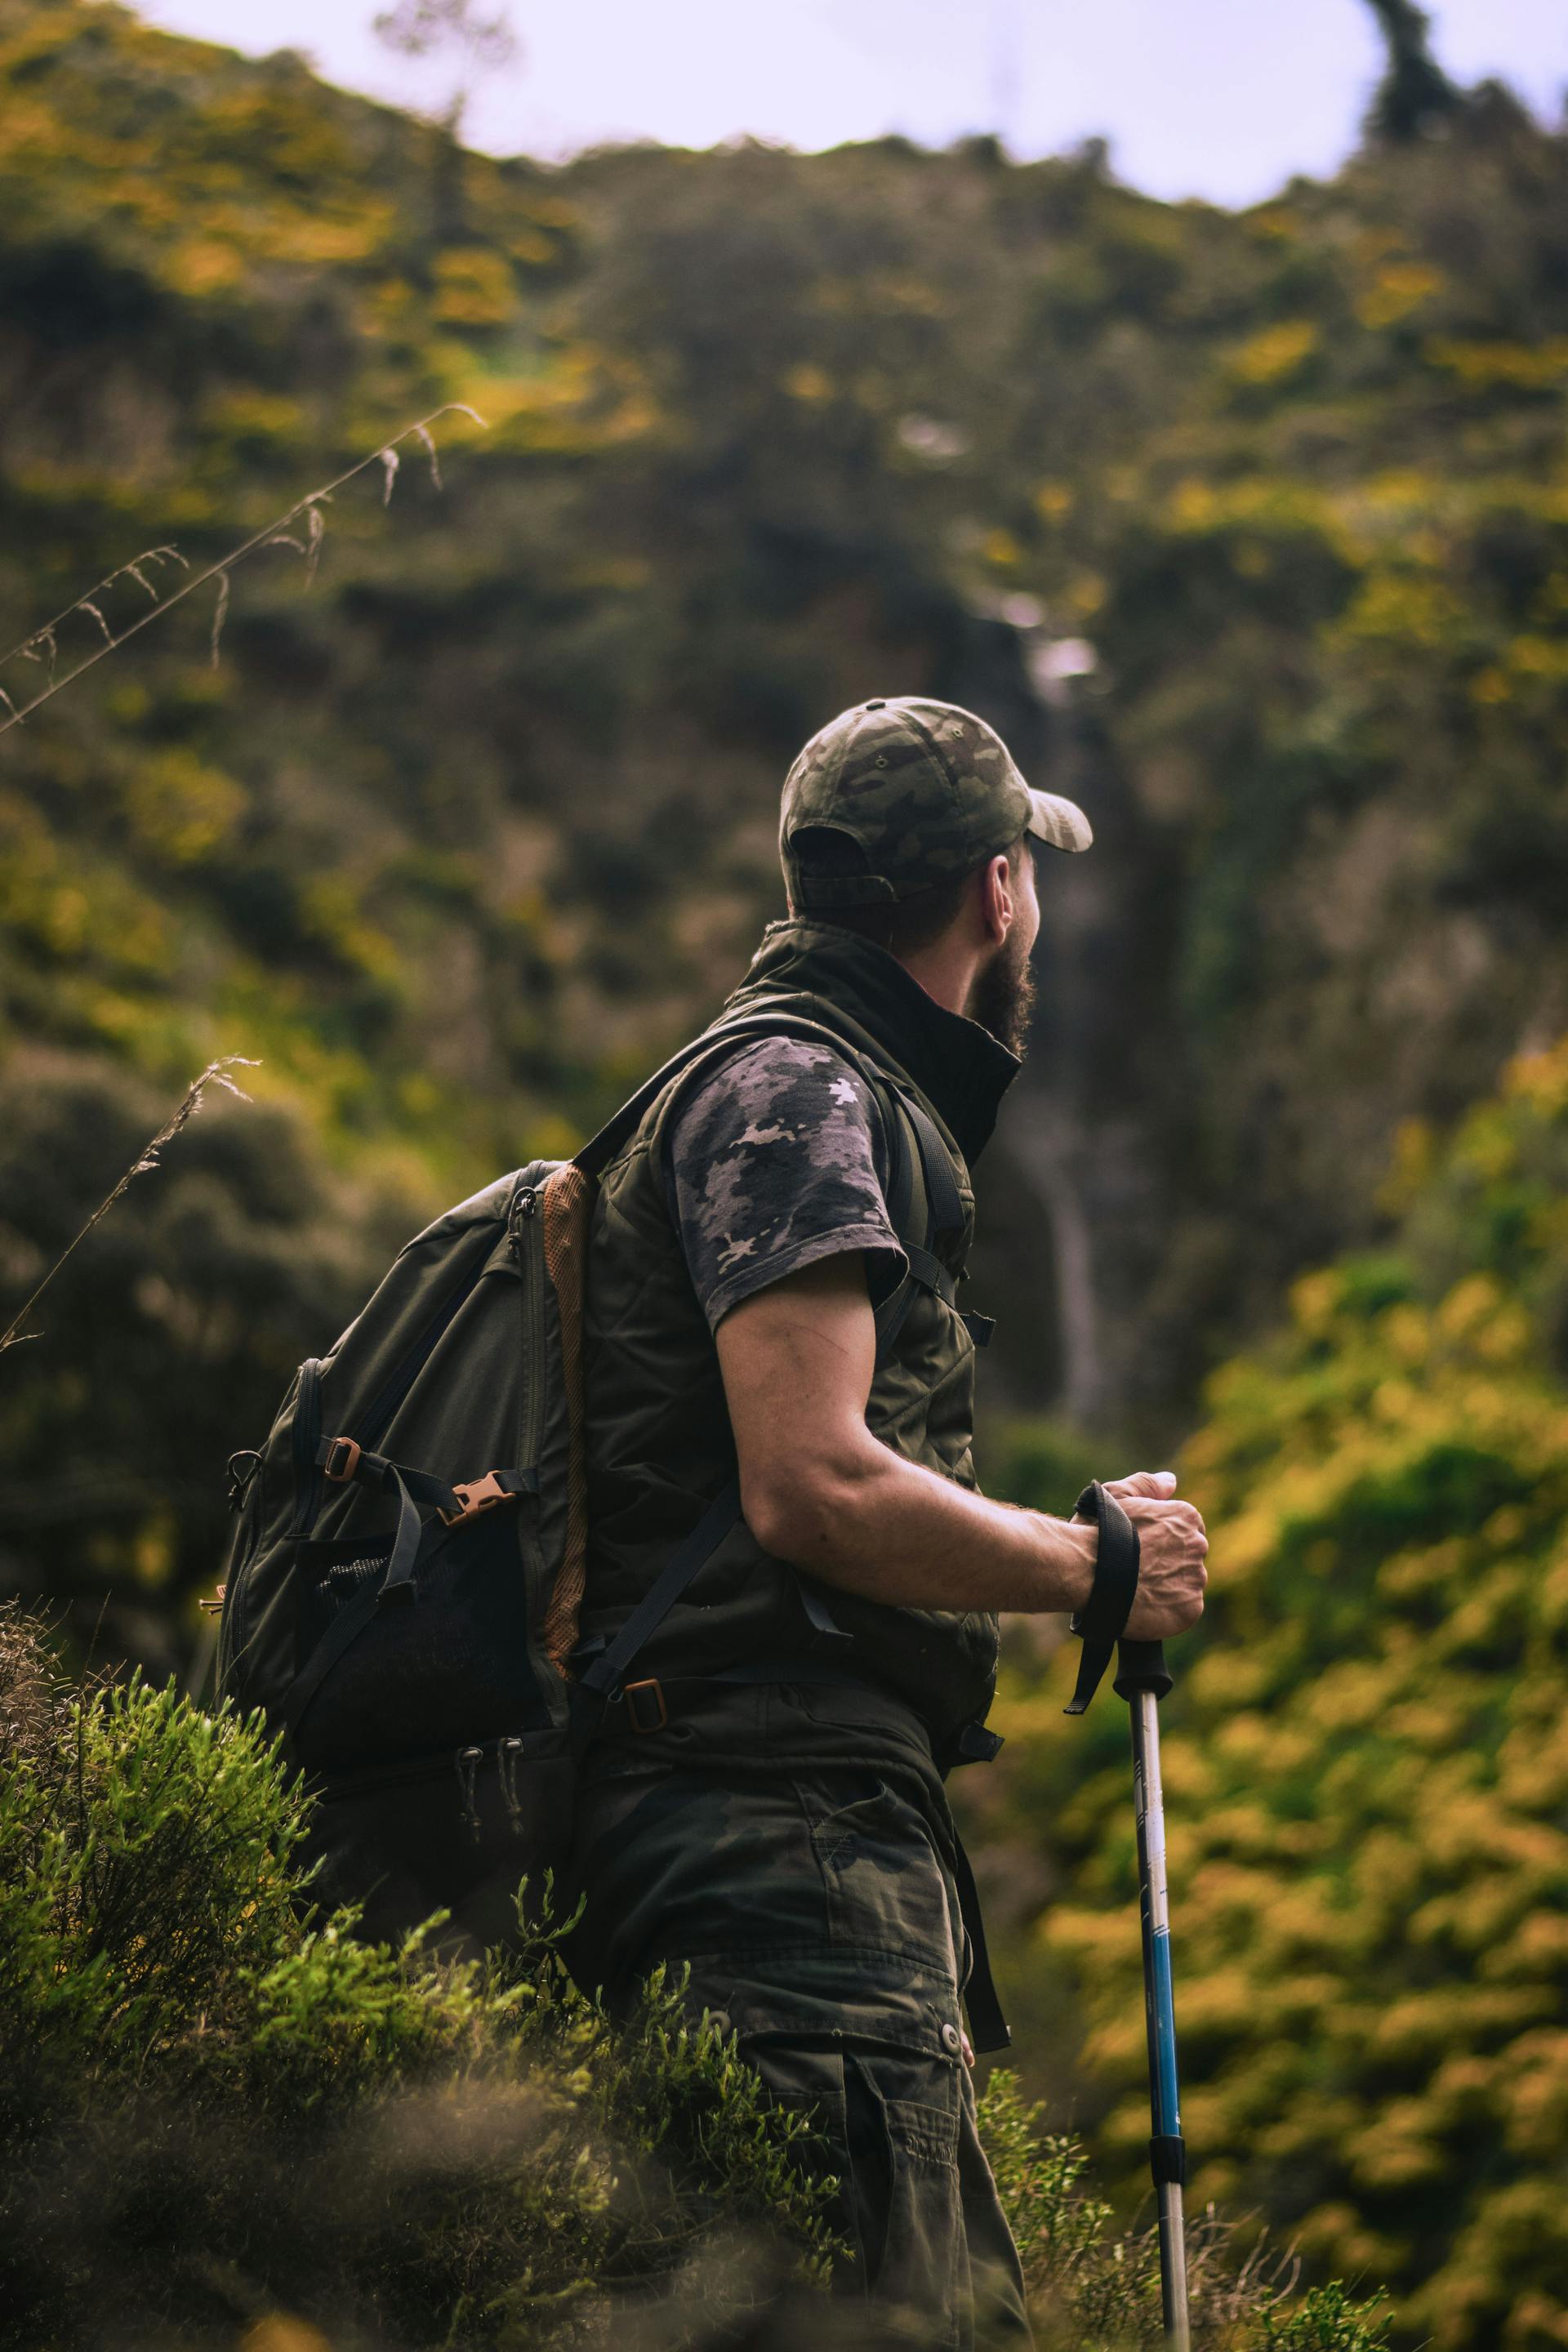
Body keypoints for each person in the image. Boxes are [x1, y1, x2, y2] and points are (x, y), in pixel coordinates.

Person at [567, 697, 1209, 2345]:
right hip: (774, 1855)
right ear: (1001, 891)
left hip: (786, 1842)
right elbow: (816, 1486)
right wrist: (1094, 1568)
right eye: (1029, 881)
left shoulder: (796, 1081)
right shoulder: (799, 1093)